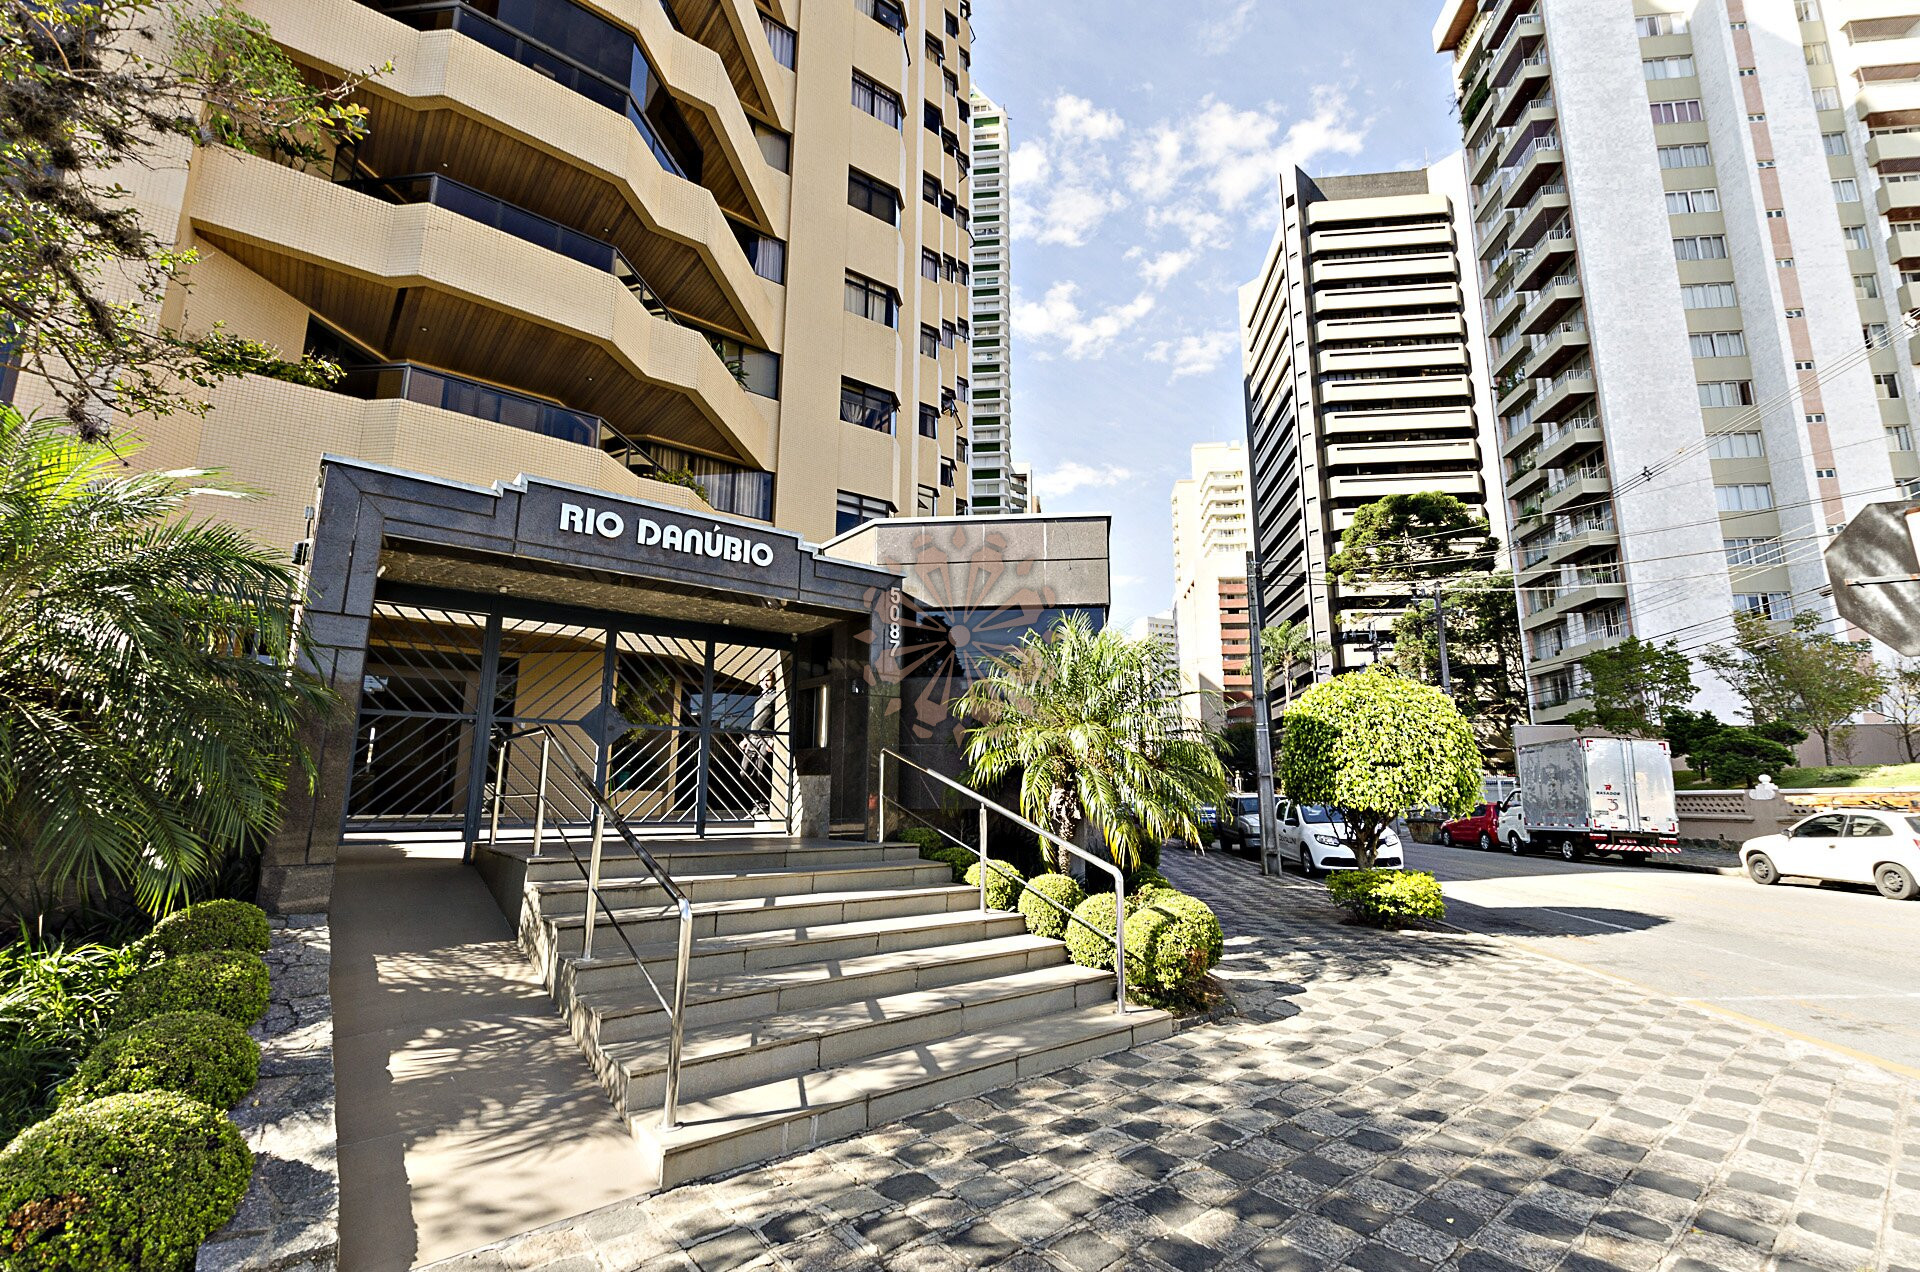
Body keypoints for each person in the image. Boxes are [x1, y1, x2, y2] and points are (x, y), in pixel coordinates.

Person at [743, 670, 778, 817]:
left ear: (773, 681)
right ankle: (757, 801)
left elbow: (780, 718)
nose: (765, 682)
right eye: (762, 680)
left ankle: (763, 804)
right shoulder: (759, 698)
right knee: (744, 771)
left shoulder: (776, 696)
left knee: (760, 772)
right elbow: (756, 721)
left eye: (768, 680)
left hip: (766, 738)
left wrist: (773, 739)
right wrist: (747, 738)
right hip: (753, 738)